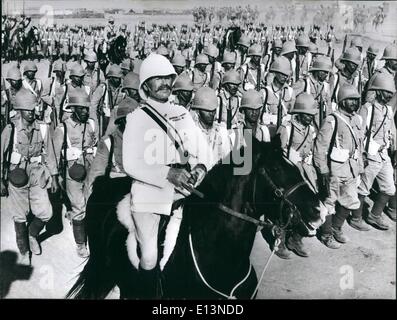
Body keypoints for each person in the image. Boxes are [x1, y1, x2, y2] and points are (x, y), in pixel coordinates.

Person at [122, 53, 211, 298]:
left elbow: (201, 146)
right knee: (149, 256)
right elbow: (130, 164)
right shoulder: (136, 118)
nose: (164, 83)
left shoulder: (181, 113)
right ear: (146, 85)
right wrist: (167, 174)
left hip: (185, 190)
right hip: (149, 193)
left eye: (168, 77)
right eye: (157, 78)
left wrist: (201, 166)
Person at [1, 89, 58, 264]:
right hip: (17, 174)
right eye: (28, 110)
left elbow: (50, 153)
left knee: (46, 212)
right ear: (19, 110)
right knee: (20, 215)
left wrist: (54, 176)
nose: (32, 113)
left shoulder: (42, 127)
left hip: (37, 173)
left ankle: (32, 234)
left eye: (34, 109)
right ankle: (24, 251)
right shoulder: (11, 129)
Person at [314, 84, 364, 249]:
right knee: (329, 203)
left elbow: (359, 146)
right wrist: (323, 170)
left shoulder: (356, 119)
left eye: (356, 100)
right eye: (350, 100)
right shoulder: (332, 120)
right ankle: (326, 234)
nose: (354, 103)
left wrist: (360, 167)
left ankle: (336, 227)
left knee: (351, 201)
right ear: (342, 101)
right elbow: (320, 147)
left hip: (351, 169)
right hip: (334, 170)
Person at [53, 93, 98, 258]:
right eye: (81, 108)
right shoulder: (62, 128)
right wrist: (55, 176)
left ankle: (83, 225)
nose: (85, 112)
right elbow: (54, 155)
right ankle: (80, 244)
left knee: (91, 203)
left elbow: (95, 144)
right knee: (80, 208)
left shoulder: (91, 125)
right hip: (73, 173)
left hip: (90, 169)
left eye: (86, 108)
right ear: (72, 109)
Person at [278, 93, 321, 258]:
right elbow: (278, 153)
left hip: (306, 171)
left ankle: (296, 238)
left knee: (309, 205)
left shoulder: (311, 129)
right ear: (298, 113)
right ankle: (279, 240)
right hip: (289, 171)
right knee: (284, 207)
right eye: (307, 114)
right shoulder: (287, 128)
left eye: (312, 115)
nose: (310, 118)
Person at [352, 73, 396, 230]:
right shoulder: (367, 109)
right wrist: (361, 154)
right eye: (387, 92)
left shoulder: (388, 110)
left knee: (389, 188)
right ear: (378, 91)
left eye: (391, 92)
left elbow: (391, 131)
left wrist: (393, 148)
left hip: (383, 155)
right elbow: (359, 133)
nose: (390, 94)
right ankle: (356, 218)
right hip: (370, 154)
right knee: (363, 187)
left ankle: (374, 215)